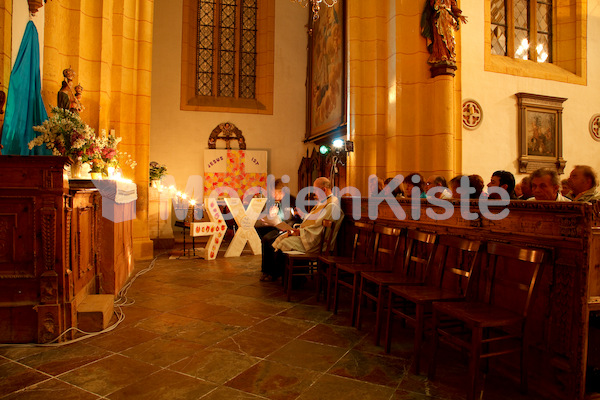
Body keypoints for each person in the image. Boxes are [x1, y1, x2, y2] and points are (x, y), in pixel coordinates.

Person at [260, 177, 343, 282]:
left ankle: (293, 279)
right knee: (277, 239)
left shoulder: (331, 205)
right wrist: (299, 226)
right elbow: (313, 221)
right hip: (307, 234)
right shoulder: (324, 202)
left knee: (284, 242)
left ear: (324, 190)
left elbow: (317, 227)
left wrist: (299, 231)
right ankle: (282, 275)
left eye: (315, 191)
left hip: (315, 240)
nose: (314, 194)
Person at [421, 0, 467, 66]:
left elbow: (454, 7)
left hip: (448, 18)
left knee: (450, 37)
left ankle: (450, 55)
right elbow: (434, 7)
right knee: (440, 36)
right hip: (439, 18)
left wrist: (460, 15)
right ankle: (442, 55)